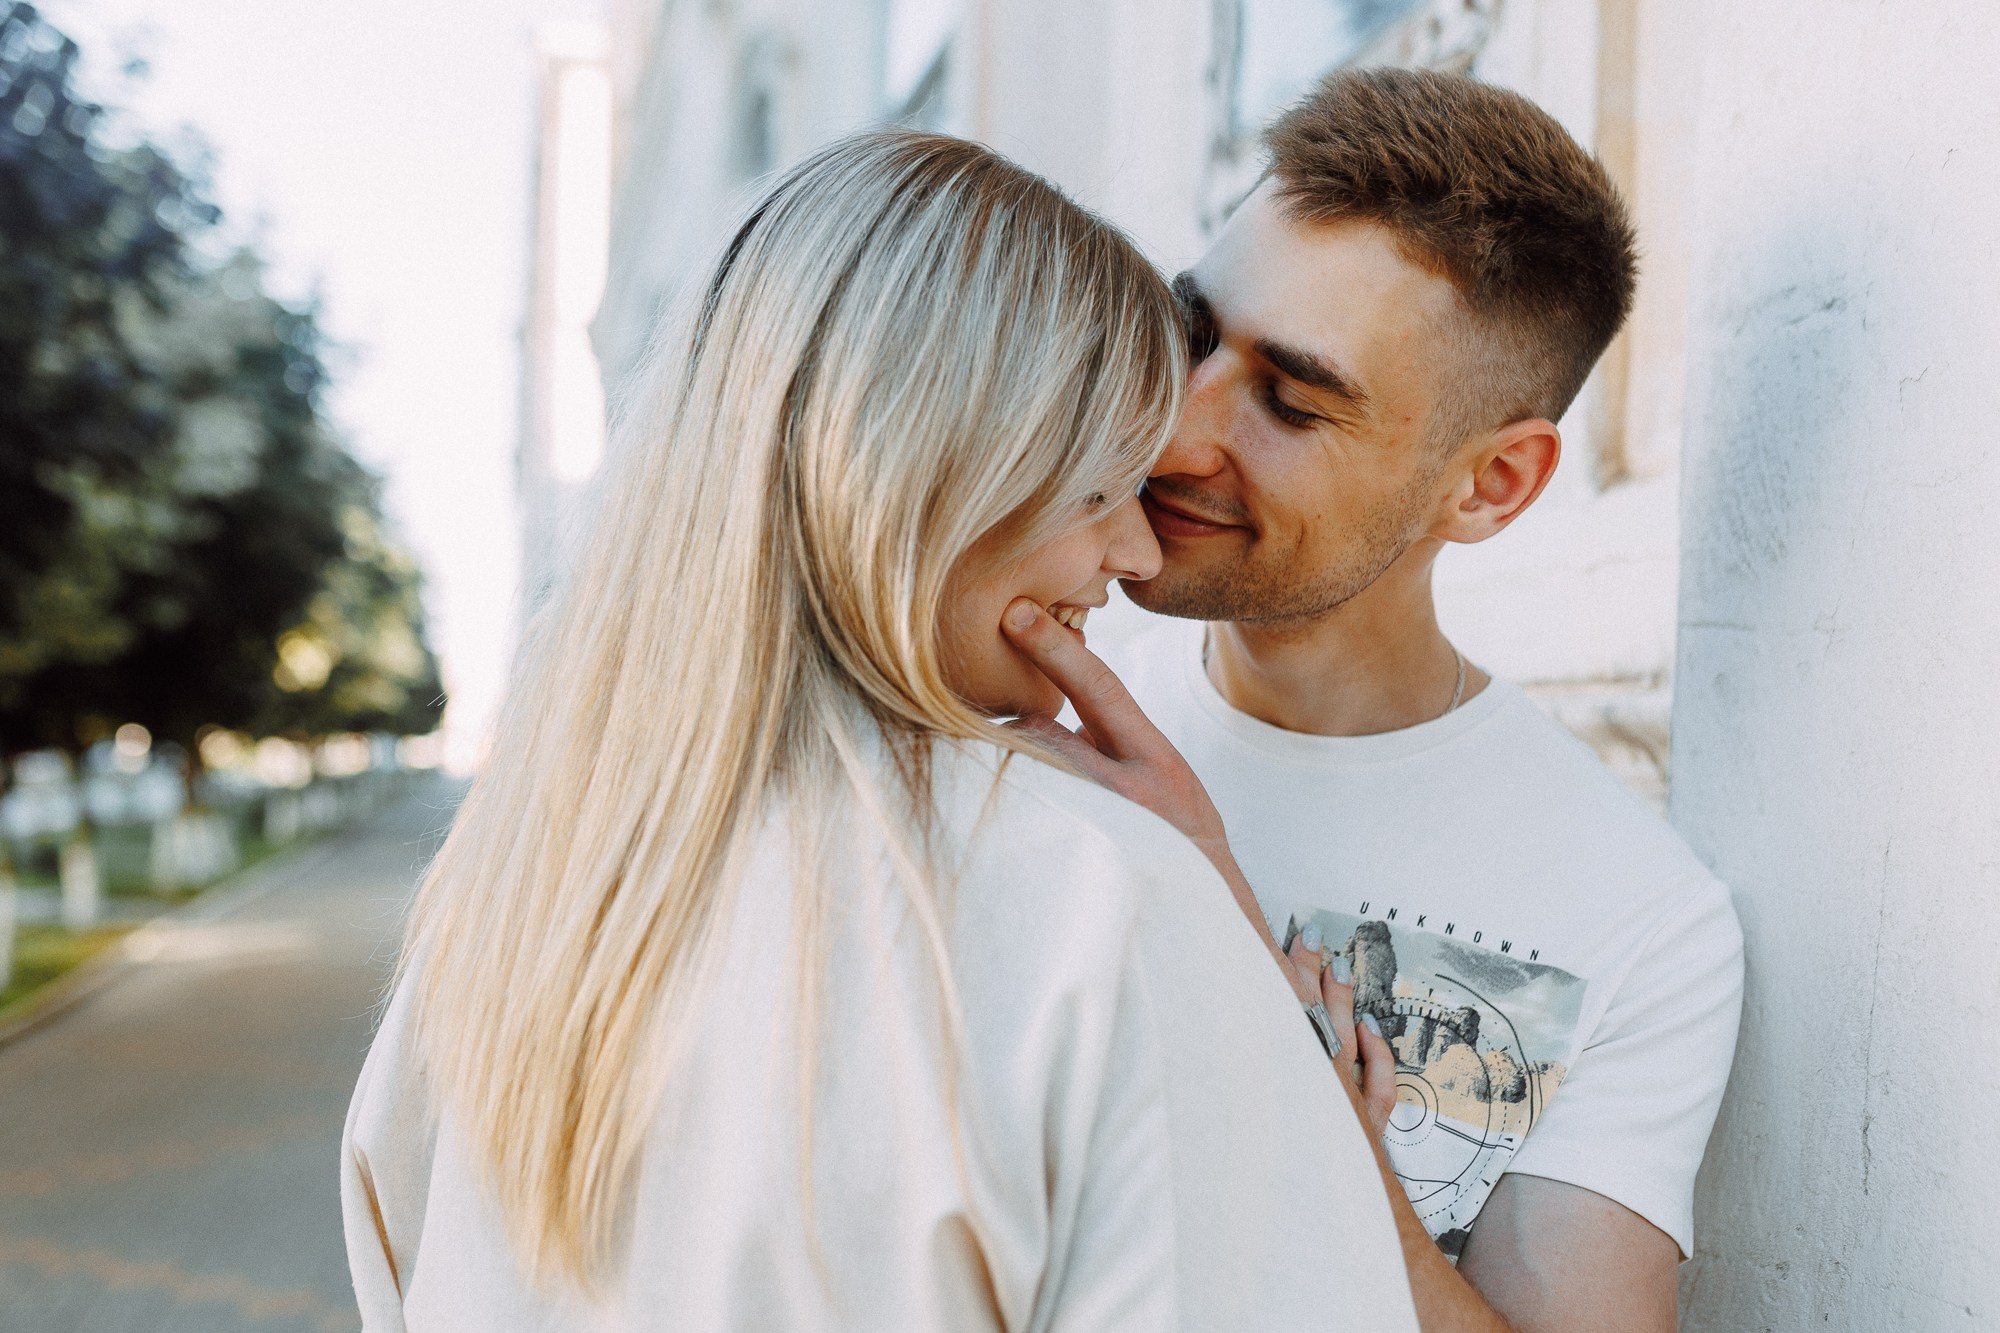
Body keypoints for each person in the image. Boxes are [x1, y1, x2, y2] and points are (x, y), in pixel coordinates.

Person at [339, 130, 1417, 1330]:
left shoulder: (507, 891)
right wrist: (1269, 1066)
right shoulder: (1099, 904)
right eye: (1100, 486)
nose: (1137, 553)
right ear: (922, 478)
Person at [1030, 68, 1744, 1333]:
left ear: (1488, 486)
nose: (1176, 432)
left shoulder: (1636, 918)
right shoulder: (1005, 701)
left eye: (1292, 402)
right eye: (1190, 334)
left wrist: (1232, 957)